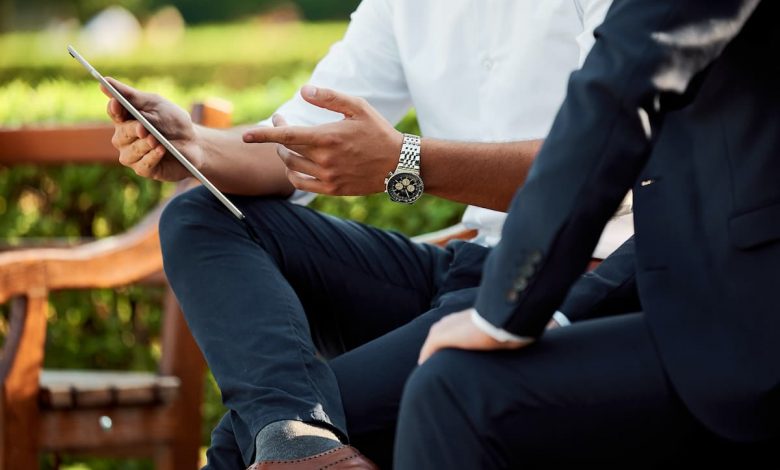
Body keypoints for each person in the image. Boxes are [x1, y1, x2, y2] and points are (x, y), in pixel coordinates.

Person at [104, 1, 625, 468]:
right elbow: (298, 141)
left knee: (237, 447)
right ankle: (298, 436)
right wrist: (194, 146)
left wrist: (408, 161)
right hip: (471, 265)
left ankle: (297, 441)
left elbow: (604, 161)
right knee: (200, 216)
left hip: (579, 278)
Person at [394, 0, 780, 467]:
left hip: (746, 322)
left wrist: (502, 310)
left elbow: (617, 92)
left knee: (452, 392)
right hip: (671, 292)